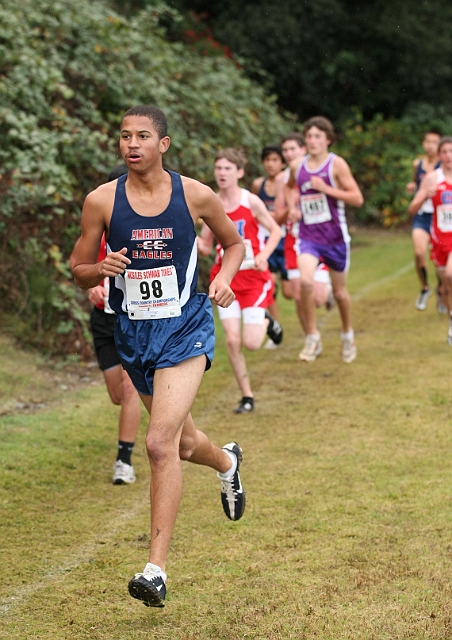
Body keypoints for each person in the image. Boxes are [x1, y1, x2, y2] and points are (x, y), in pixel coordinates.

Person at [71, 105, 247, 608]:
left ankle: (156, 570)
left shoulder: (194, 194)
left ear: (163, 145)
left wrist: (222, 279)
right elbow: (79, 268)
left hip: (186, 328)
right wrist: (100, 268)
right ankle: (227, 462)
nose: (132, 144)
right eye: (125, 135)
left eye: (143, 136)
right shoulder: (101, 201)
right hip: (133, 334)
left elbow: (233, 245)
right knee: (185, 444)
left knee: (157, 443)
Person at [198, 148, 282, 413]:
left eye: (228, 169)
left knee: (252, 343)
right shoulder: (211, 204)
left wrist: (265, 255)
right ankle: (247, 396)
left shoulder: (251, 201)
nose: (222, 173)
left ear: (239, 172)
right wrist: (188, 238)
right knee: (233, 341)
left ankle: (268, 321)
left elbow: (276, 230)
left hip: (254, 279)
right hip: (226, 280)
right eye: (218, 168)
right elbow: (207, 247)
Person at [72, 164, 142, 485]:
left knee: (129, 390)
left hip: (134, 319)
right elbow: (79, 268)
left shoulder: (147, 228)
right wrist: (94, 281)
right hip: (104, 320)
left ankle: (123, 461)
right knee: (117, 395)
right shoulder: (95, 226)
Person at [286, 116, 364, 363]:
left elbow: (357, 198)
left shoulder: (336, 165)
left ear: (328, 140)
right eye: (309, 136)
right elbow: (289, 188)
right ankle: (312, 337)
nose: (312, 140)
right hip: (308, 237)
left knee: (340, 293)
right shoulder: (298, 166)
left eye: (317, 136)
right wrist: (292, 207)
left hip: (335, 238)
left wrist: (326, 188)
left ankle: (347, 334)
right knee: (305, 283)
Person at [274, 132, 334, 334]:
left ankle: (330, 291)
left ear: (303, 149)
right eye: (285, 150)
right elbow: (277, 217)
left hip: (321, 237)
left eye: (293, 149)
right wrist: (290, 210)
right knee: (298, 295)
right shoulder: (282, 179)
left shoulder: (319, 171)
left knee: (317, 298)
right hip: (295, 241)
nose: (289, 154)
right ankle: (311, 336)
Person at [408, 136, 452, 345]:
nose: (448, 156)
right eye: (444, 152)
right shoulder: (432, 178)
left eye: (451, 151)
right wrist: (425, 195)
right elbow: (412, 209)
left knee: (451, 275)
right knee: (445, 282)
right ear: (439, 155)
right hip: (439, 237)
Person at [251, 144, 287, 348]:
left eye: (275, 160)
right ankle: (275, 328)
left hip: (288, 240)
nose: (271, 164)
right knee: (270, 289)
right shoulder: (258, 185)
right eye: (268, 160)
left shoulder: (288, 184)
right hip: (267, 242)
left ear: (282, 163)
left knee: (290, 292)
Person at [406, 130, 442, 311]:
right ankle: (425, 288)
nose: (430, 145)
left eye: (434, 142)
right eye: (427, 141)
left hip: (440, 215)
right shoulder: (417, 164)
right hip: (421, 214)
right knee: (419, 253)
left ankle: (442, 291)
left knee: (440, 260)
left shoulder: (445, 165)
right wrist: (412, 187)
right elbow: (415, 184)